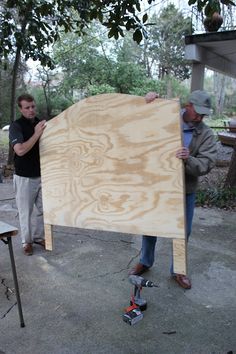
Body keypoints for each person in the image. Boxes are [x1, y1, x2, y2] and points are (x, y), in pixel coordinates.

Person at [129, 90, 217, 289]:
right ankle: (145, 260)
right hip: (157, 184)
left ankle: (178, 270)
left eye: (204, 114)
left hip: (184, 190)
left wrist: (189, 159)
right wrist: (147, 103)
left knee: (182, 231)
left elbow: (207, 164)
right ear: (188, 106)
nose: (200, 117)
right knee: (150, 226)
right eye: (198, 112)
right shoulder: (165, 115)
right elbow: (138, 124)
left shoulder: (205, 134)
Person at [9, 94, 46, 255]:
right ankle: (27, 241)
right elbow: (20, 150)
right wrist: (37, 134)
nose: (31, 110)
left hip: (43, 175)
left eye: (33, 107)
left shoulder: (40, 123)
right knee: (26, 211)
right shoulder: (16, 126)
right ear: (20, 109)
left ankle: (38, 237)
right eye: (27, 107)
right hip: (24, 177)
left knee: (44, 210)